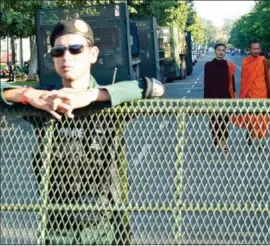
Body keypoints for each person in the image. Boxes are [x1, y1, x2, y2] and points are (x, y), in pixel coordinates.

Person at [0, 18, 164, 244]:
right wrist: (25, 95)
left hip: (107, 226)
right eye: (58, 51)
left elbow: (155, 88)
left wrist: (94, 96)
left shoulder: (110, 97)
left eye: (76, 49)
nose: (67, 57)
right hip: (58, 227)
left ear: (93, 54)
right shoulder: (45, 100)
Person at [232, 40, 270, 148]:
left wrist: (269, 92)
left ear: (260, 49)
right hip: (250, 93)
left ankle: (260, 141)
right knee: (251, 118)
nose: (256, 51)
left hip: (262, 93)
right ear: (249, 50)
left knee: (262, 119)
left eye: (257, 49)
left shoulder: (264, 61)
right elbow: (244, 79)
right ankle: (250, 133)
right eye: (253, 49)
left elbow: (268, 78)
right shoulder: (246, 62)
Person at [204, 43, 236, 152]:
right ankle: (215, 137)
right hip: (211, 97)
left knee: (224, 121)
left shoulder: (229, 65)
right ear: (215, 51)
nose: (221, 52)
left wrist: (233, 98)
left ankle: (224, 142)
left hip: (225, 97)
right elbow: (206, 83)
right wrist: (206, 99)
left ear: (225, 52)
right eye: (219, 50)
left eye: (223, 50)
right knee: (213, 121)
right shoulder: (208, 65)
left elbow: (232, 83)